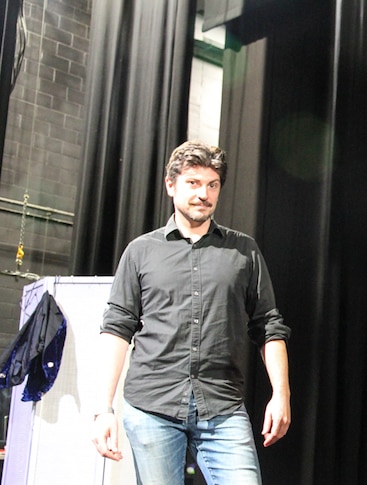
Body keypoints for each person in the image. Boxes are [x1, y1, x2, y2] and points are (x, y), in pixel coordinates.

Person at [91, 140, 292, 485]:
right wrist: (103, 409)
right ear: (171, 185)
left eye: (212, 185)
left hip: (222, 405)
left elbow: (268, 326)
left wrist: (281, 394)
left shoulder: (243, 251)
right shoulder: (140, 252)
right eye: (194, 183)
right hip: (153, 404)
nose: (204, 194)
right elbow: (117, 329)